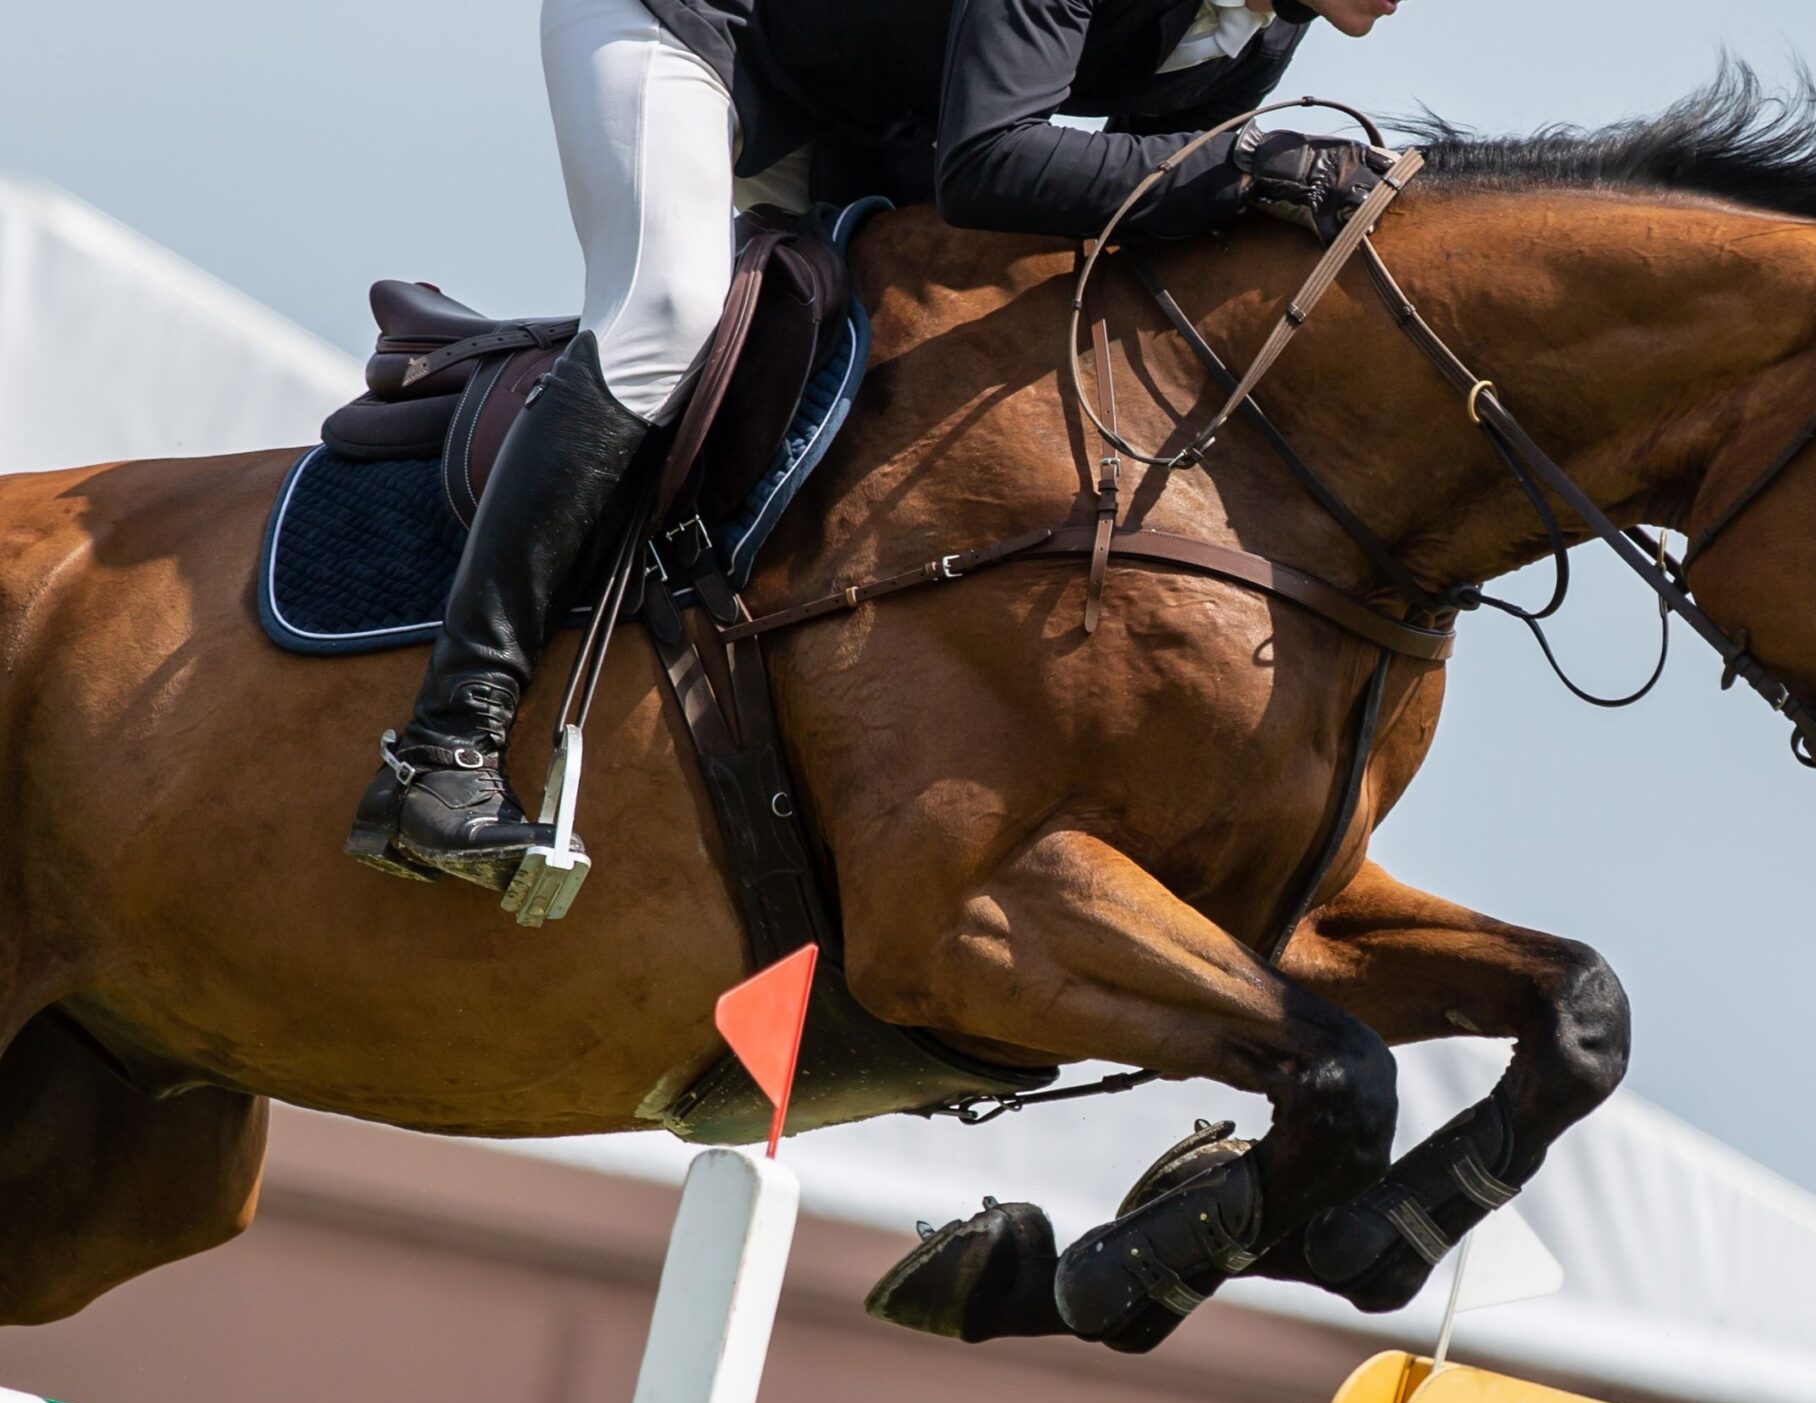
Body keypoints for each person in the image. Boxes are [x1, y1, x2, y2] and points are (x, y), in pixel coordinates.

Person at [348, 0, 1407, 899]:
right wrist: (1241, 168)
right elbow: (991, 160)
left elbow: (1132, 205)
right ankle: (444, 751)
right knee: (664, 313)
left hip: (861, 118)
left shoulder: (1259, 28)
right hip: (691, 26)